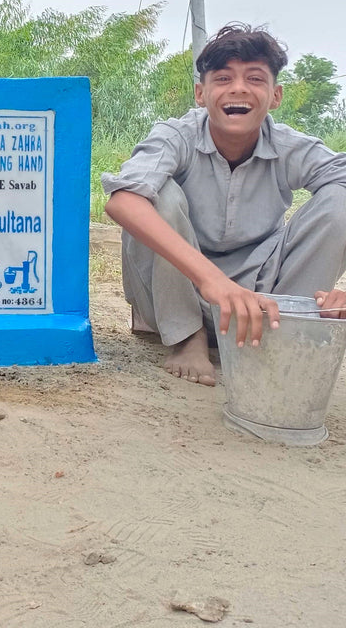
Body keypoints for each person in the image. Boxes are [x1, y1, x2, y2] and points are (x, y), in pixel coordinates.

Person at [103, 23, 346, 386]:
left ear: (275, 96)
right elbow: (122, 201)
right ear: (201, 94)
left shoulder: (289, 146)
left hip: (258, 296)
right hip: (173, 293)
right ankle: (188, 339)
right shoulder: (176, 136)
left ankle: (282, 329)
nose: (238, 89)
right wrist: (212, 280)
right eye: (223, 78)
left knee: (339, 199)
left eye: (255, 79)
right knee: (158, 196)